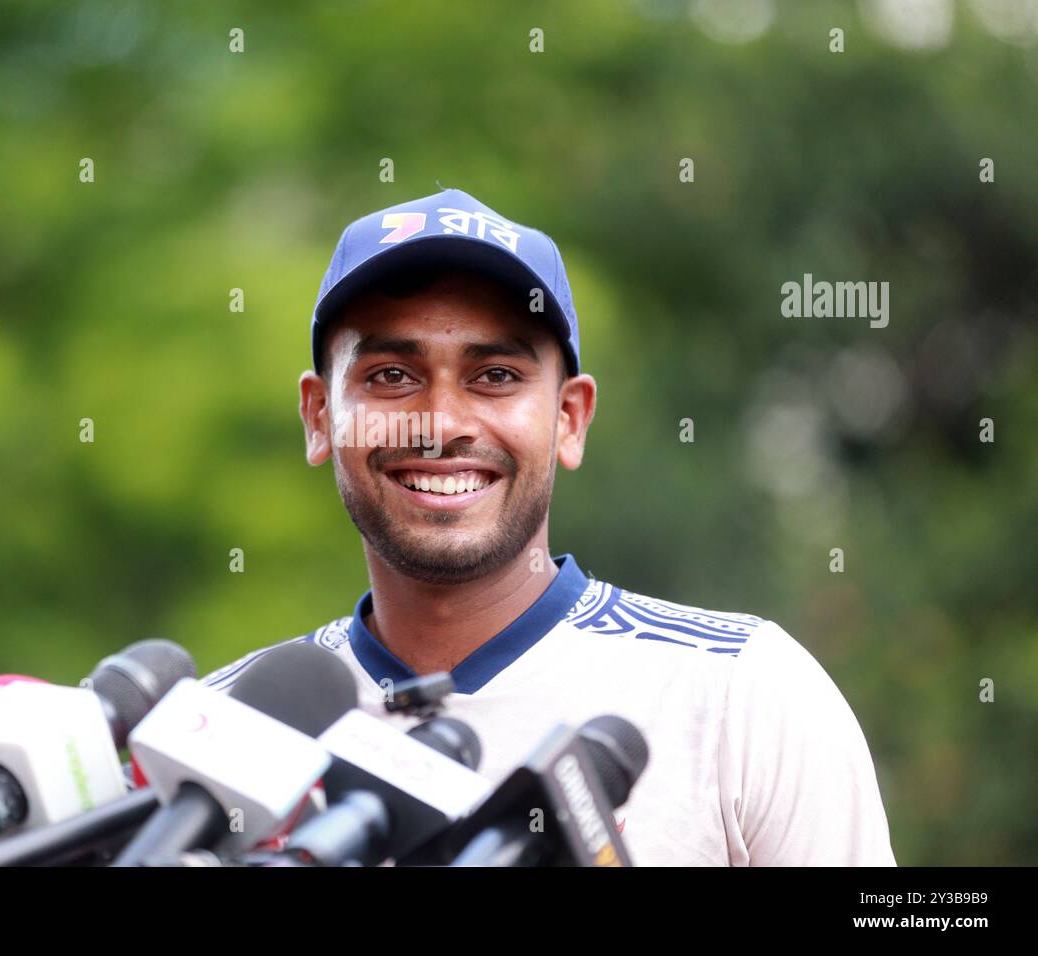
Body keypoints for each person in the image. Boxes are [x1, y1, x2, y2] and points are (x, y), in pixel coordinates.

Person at [206, 188, 896, 866]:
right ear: (320, 415)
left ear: (569, 418)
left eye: (496, 375)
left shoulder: (739, 696)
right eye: (390, 375)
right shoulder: (221, 733)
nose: (442, 423)